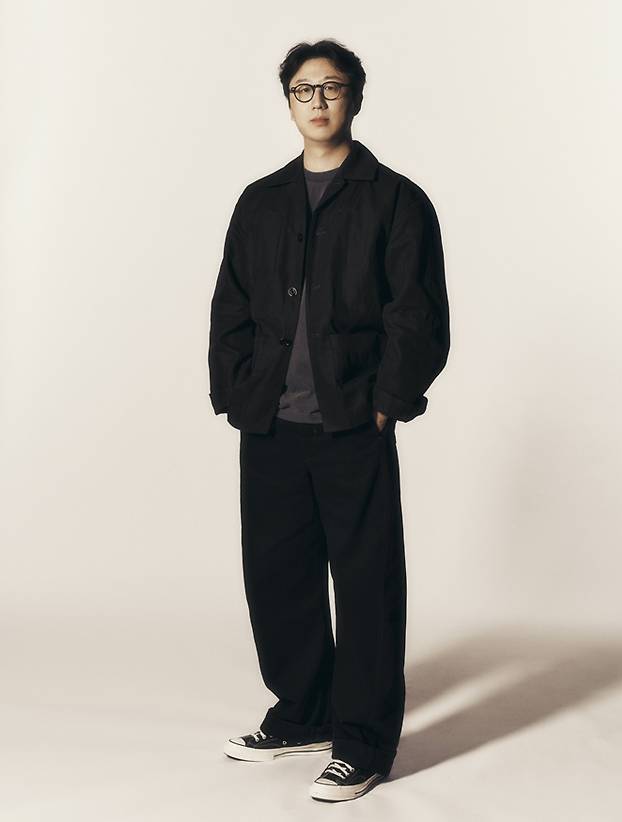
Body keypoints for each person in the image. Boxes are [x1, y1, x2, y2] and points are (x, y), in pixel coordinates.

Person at [208, 38, 450, 802]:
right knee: (278, 578)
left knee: (367, 584)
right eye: (304, 90)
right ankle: (302, 715)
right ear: (288, 101)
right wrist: (236, 392)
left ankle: (364, 742)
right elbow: (231, 306)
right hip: (270, 425)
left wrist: (386, 404)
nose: (318, 102)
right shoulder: (261, 201)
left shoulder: (396, 200)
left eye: (332, 88)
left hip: (351, 425)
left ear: (355, 98)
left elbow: (417, 314)